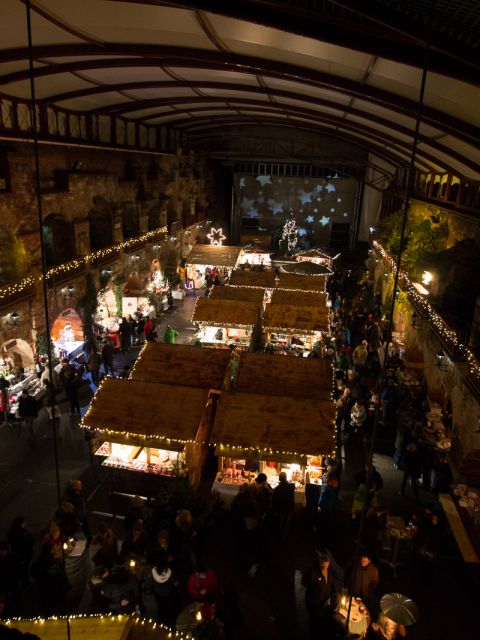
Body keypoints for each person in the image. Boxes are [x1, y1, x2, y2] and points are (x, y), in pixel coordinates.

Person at [31, 542, 68, 617]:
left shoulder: (37, 561)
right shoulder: (55, 561)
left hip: (41, 589)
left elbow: (32, 573)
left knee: (46, 609)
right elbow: (61, 574)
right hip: (54, 588)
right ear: (51, 550)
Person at [302, 553, 336, 631]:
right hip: (314, 604)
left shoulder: (329, 570)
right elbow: (304, 582)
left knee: (322, 623)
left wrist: (332, 594)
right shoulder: (313, 572)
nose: (324, 568)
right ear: (319, 563)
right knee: (314, 623)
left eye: (326, 565)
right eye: (323, 565)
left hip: (324, 602)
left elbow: (330, 583)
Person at [144, 559, 180, 627]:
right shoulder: (170, 572)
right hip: (168, 594)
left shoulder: (153, 573)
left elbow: (149, 586)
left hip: (158, 595)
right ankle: (170, 624)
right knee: (169, 609)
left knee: (161, 609)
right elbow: (176, 583)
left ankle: (162, 624)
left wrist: (148, 591)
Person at [6, 516, 34, 587]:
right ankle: (26, 583)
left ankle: (23, 581)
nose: (25, 523)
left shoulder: (11, 532)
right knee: (25, 569)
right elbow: (30, 541)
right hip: (25, 554)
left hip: (17, 554)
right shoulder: (23, 533)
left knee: (20, 569)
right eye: (24, 522)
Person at [0, 541, 22, 616]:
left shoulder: (14, 558)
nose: (1, 552)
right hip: (4, 584)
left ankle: (17, 614)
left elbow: (17, 572)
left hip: (13, 583)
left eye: (3, 551)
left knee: (15, 600)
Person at [271, 471, 295, 541]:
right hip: (289, 508)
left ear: (279, 478)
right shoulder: (291, 486)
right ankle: (284, 537)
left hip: (280, 509)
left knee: (281, 522)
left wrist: (275, 511)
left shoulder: (276, 489)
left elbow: (273, 501)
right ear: (286, 478)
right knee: (287, 524)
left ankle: (279, 535)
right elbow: (292, 485)